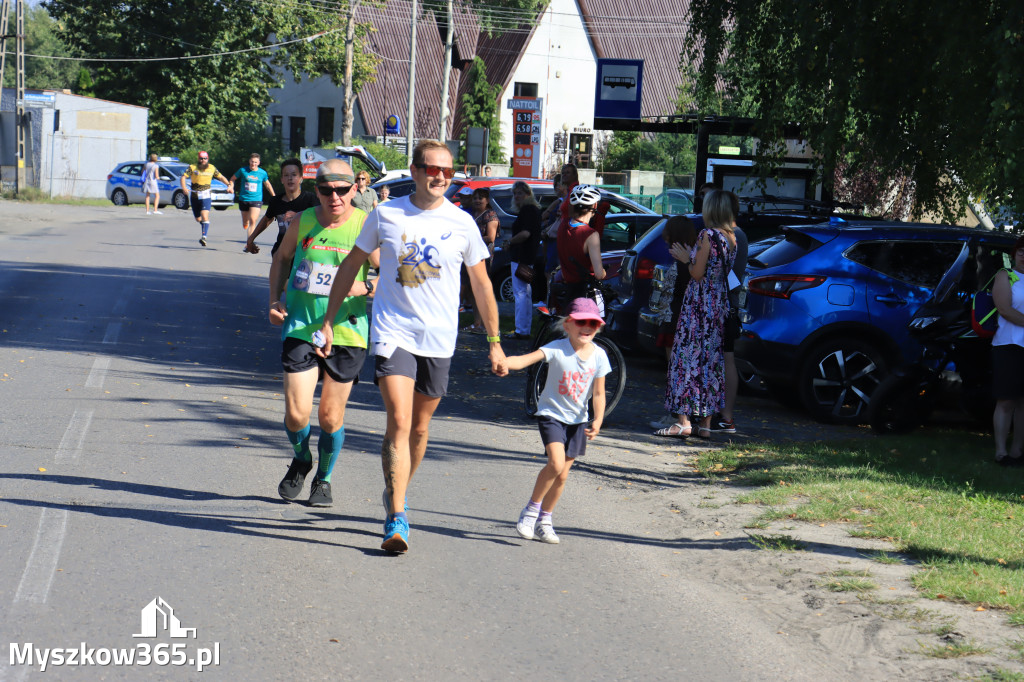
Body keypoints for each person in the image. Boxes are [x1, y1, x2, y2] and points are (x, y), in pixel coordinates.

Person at [317, 139, 507, 554]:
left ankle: (395, 490)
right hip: (393, 331)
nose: (440, 176)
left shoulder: (463, 223)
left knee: (421, 429)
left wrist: (494, 342)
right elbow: (352, 263)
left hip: (438, 338)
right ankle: (397, 514)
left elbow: (482, 284)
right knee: (400, 422)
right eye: (431, 168)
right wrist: (328, 320)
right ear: (415, 170)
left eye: (447, 171)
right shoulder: (386, 213)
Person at [268, 158, 377, 507]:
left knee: (330, 417)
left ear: (354, 189)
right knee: (296, 414)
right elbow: (282, 259)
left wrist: (365, 287)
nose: (335, 197)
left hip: (347, 331)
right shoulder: (304, 221)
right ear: (317, 190)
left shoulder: (367, 225)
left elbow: (391, 272)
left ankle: (324, 478)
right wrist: (274, 298)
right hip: (302, 325)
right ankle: (302, 458)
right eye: (327, 190)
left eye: (342, 190)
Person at [505, 297, 609, 544]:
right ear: (568, 325)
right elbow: (525, 359)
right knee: (555, 463)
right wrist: (505, 362)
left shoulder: (600, 356)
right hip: (552, 415)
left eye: (593, 323)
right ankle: (530, 511)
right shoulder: (556, 348)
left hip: (578, 421)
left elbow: (599, 393)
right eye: (581, 321)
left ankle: (545, 521)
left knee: (562, 475)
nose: (587, 327)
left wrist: (598, 420)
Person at [656, 190, 736, 438]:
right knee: (710, 363)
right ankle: (706, 425)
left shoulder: (707, 235)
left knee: (685, 359)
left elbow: (697, 272)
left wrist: (684, 258)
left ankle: (683, 422)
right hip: (716, 306)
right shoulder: (732, 238)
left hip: (697, 306)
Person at [709, 191, 748, 434]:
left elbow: (736, 277)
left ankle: (726, 417)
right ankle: (718, 415)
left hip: (726, 305)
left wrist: (715, 281)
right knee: (722, 358)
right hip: (722, 303)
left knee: (727, 358)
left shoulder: (737, 236)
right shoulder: (730, 235)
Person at [991, 236, 1024, 466]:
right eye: (1021, 251)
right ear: (1014, 253)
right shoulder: (1005, 276)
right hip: (1008, 345)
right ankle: (1001, 452)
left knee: (1023, 402)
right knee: (1006, 401)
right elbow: (1004, 309)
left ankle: (1017, 452)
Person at [245, 158, 318, 257]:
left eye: (294, 175)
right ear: (282, 179)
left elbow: (323, 219)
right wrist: (251, 239)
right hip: (281, 253)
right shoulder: (276, 201)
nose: (290, 178)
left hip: (304, 254)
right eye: (286, 175)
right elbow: (267, 218)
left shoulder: (310, 199)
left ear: (301, 178)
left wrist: (299, 216)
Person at [556, 184, 606, 312]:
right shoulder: (590, 234)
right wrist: (605, 272)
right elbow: (599, 274)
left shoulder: (563, 225)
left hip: (565, 290)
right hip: (584, 295)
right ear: (595, 206)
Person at [505, 181, 543, 339]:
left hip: (522, 256)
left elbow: (525, 234)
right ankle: (524, 329)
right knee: (525, 293)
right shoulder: (533, 209)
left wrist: (510, 242)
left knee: (520, 293)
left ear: (528, 194)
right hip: (528, 256)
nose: (516, 196)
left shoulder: (527, 210)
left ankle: (521, 330)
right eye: (515, 193)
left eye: (520, 193)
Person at [461, 188, 499, 334]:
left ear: (487, 200)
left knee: (481, 290)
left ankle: (485, 324)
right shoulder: (470, 213)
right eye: (475, 198)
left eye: (480, 198)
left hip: (482, 258)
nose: (477, 201)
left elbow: (491, 237)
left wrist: (470, 240)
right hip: (468, 256)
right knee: (471, 290)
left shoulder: (491, 215)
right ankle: (477, 323)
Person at [181, 151, 233, 247]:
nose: (203, 160)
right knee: (198, 218)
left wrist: (229, 185)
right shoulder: (192, 167)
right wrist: (184, 187)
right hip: (194, 196)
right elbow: (183, 177)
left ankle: (204, 237)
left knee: (205, 215)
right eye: (201, 158)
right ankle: (205, 225)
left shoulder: (212, 168)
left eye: (205, 158)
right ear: (198, 159)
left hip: (206, 195)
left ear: (207, 159)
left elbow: (221, 177)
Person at [233, 153, 275, 249]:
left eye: (256, 162)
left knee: (253, 220)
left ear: (259, 163)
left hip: (256, 200)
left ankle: (249, 243)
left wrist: (274, 196)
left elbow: (267, 184)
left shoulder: (262, 173)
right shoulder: (243, 170)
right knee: (246, 221)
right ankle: (245, 223)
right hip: (244, 199)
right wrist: (231, 185)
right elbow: (233, 178)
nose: (253, 164)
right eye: (252, 162)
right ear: (249, 161)